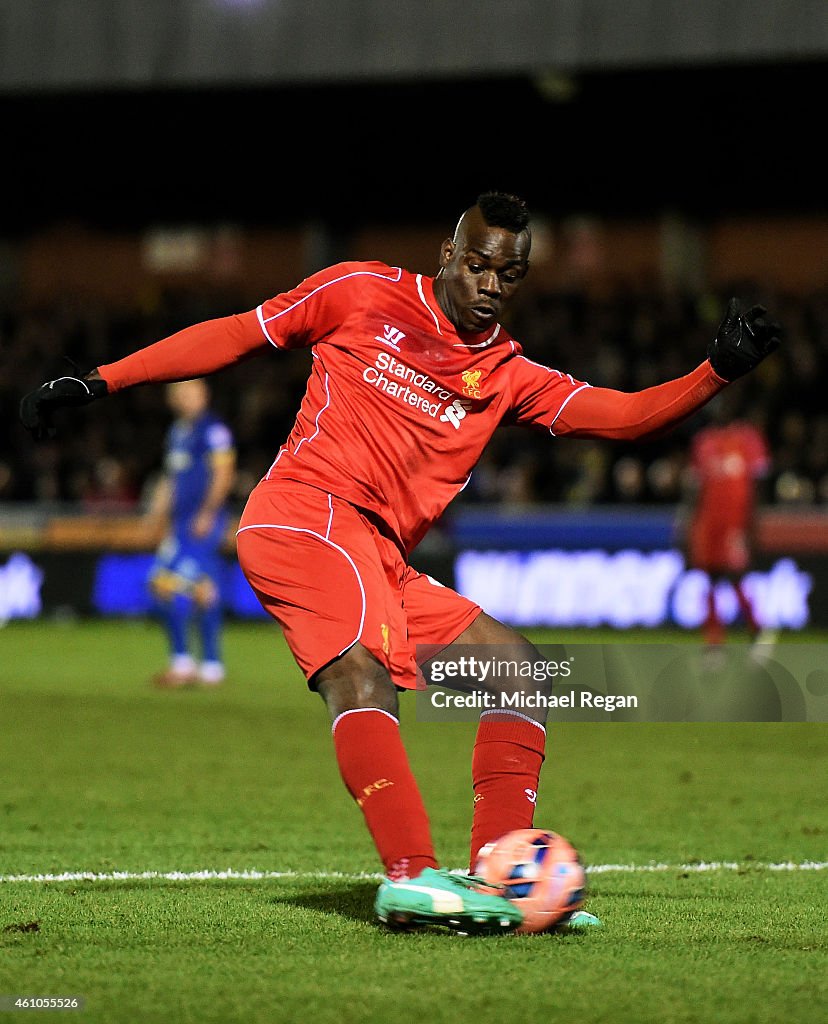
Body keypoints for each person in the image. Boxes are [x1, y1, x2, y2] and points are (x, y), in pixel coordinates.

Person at [20, 192, 782, 935]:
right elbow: (235, 333)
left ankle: (499, 874)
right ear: (448, 254)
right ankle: (412, 877)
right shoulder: (359, 291)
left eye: (508, 276)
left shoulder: (508, 375)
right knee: (361, 672)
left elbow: (623, 416)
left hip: (379, 556)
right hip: (304, 514)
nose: (490, 286)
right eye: (478, 265)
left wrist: (713, 372)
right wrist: (102, 380)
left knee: (518, 669)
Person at [144, 378, 237, 687]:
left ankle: (186, 662)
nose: (186, 398)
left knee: (166, 584)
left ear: (204, 395)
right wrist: (157, 513)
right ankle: (209, 665)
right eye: (180, 393)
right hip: (181, 524)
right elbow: (172, 478)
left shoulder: (213, 430)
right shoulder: (178, 433)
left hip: (201, 522)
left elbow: (224, 473)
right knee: (201, 588)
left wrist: (208, 513)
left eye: (191, 392)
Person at [685, 391, 771, 647]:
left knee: (735, 576)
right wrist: (691, 525)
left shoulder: (748, 439)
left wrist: (754, 523)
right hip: (710, 522)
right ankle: (714, 641)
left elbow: (758, 485)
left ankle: (757, 630)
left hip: (735, 522)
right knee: (710, 579)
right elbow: (696, 489)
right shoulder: (703, 442)